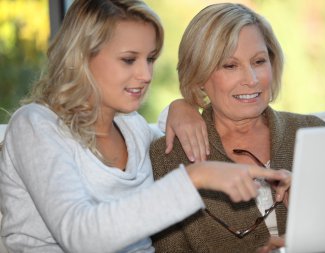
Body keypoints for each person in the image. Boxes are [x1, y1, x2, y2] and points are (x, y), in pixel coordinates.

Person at [0, 1, 291, 252]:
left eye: (150, 59)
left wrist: (182, 107)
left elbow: (169, 142)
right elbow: (80, 236)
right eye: (129, 60)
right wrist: (195, 177)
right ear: (82, 58)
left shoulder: (133, 130)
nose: (145, 74)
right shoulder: (35, 125)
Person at [150, 3, 325, 252]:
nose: (251, 80)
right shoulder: (168, 158)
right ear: (199, 75)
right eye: (230, 66)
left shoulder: (315, 133)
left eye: (258, 61)